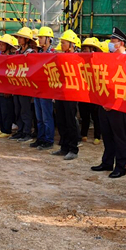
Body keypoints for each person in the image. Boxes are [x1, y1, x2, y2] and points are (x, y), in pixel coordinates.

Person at [91, 27, 126, 178]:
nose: (110, 43)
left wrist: (113, 102)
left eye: (113, 41)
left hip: (119, 105)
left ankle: (120, 166)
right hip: (104, 103)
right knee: (107, 135)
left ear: (121, 43)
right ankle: (107, 162)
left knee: (119, 137)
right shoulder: (109, 59)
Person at [52, 30, 81, 160]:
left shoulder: (77, 58)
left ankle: (73, 149)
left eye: (64, 43)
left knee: (70, 121)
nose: (62, 45)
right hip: (60, 93)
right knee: (61, 120)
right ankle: (64, 147)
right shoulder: (61, 57)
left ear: (71, 44)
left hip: (71, 94)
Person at [32, 27, 56, 149]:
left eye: (41, 37)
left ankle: (48, 140)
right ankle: (40, 138)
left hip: (47, 90)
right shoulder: (39, 53)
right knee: (39, 117)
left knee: (46, 116)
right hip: (38, 88)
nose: (39, 40)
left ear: (48, 39)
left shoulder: (53, 53)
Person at [10, 27, 36, 141]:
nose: (19, 39)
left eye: (21, 38)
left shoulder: (31, 52)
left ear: (27, 40)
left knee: (25, 110)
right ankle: (20, 131)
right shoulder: (17, 52)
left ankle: (27, 132)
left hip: (25, 86)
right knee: (17, 109)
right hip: (17, 85)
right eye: (18, 37)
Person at [0, 34, 18, 137]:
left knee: (6, 110)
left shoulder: (13, 57)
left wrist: (9, 89)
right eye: (0, 44)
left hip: (7, 88)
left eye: (2, 44)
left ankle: (7, 130)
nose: (0, 46)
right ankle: (2, 128)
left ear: (8, 45)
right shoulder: (0, 56)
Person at [79, 38, 102, 145]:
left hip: (95, 93)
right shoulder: (80, 61)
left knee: (96, 115)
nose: (84, 51)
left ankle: (97, 136)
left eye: (86, 49)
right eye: (83, 49)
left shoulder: (98, 62)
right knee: (84, 114)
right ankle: (83, 134)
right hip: (83, 91)